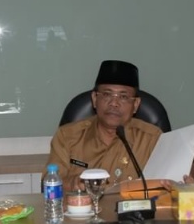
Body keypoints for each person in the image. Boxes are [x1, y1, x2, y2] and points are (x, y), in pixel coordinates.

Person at [45, 60, 162, 190]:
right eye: (107, 94)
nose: (114, 103)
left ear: (135, 104)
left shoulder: (153, 138)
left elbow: (166, 185)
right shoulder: (67, 136)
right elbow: (49, 183)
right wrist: (74, 184)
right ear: (95, 99)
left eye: (123, 97)